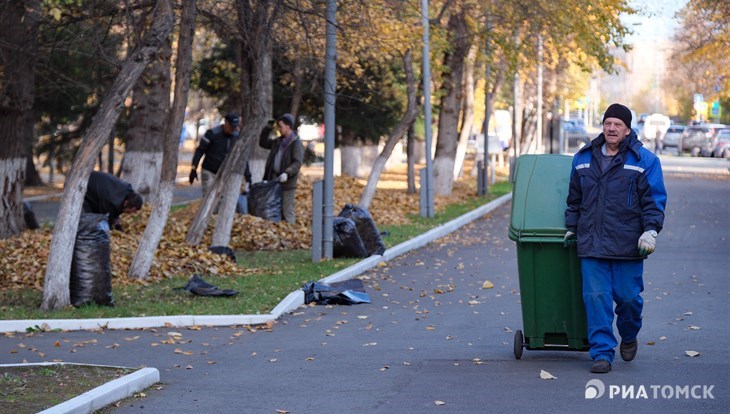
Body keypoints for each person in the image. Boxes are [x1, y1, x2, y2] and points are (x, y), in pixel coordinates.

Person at [564, 103, 667, 374]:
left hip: (628, 245)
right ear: (603, 126)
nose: (612, 128)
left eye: (618, 124)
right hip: (592, 244)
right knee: (596, 298)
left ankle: (629, 334)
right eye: (608, 123)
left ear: (627, 130)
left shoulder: (645, 161)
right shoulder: (583, 158)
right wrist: (572, 227)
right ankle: (602, 353)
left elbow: (654, 200)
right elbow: (574, 198)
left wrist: (651, 230)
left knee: (629, 299)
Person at [190, 112, 250, 195]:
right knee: (208, 197)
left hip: (226, 173)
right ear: (226, 123)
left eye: (235, 127)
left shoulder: (237, 136)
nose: (233, 129)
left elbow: (242, 156)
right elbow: (200, 150)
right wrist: (194, 168)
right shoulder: (212, 134)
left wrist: (247, 174)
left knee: (222, 199)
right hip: (209, 171)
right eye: (231, 127)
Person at [259, 113, 304, 224]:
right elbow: (263, 142)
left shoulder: (296, 143)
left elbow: (297, 162)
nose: (279, 129)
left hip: (287, 183)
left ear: (288, 126)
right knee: (272, 210)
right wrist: (267, 128)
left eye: (281, 126)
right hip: (274, 181)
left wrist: (287, 173)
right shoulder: (278, 141)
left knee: (287, 211)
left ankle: (291, 234)